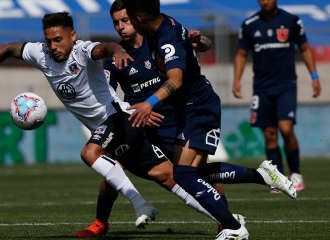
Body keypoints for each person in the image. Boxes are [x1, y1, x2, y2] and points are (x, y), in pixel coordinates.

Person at [0, 10, 217, 232]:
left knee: (91, 152)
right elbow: (8, 48)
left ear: (72, 36)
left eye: (58, 39)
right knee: (167, 176)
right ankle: (226, 219)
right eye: (49, 40)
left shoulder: (83, 51)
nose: (53, 45)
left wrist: (116, 49)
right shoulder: (40, 54)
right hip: (114, 123)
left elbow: (104, 48)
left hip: (119, 120)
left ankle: (140, 205)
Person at [121, 0, 297, 239]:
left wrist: (148, 103)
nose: (126, 25)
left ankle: (234, 227)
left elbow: (175, 80)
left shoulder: (166, 36)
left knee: (183, 175)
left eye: (129, 19)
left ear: (139, 19)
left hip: (198, 106)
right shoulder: (160, 27)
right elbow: (199, 46)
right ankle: (264, 176)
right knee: (196, 172)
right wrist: (198, 43)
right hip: (188, 107)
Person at [232, 0, 321, 192]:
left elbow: (305, 48)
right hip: (262, 88)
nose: (264, 1)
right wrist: (236, 80)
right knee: (269, 133)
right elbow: (240, 54)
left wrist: (314, 76)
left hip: (286, 85)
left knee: (286, 129)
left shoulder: (291, 21)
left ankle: (296, 173)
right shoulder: (250, 24)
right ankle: (278, 178)